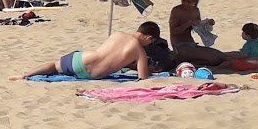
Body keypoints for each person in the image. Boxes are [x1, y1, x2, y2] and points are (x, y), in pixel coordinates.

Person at [12, 22, 162, 81]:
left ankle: (25, 75)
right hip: (93, 75)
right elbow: (142, 78)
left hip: (83, 59)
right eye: (151, 41)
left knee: (54, 66)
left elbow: (111, 56)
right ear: (149, 38)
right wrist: (148, 70)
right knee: (56, 68)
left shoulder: (117, 34)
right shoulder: (139, 51)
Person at [169, 0, 226, 69]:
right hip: (179, 47)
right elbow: (173, 32)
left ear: (195, 2)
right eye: (183, 0)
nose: (185, 4)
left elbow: (199, 29)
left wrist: (207, 24)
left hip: (191, 44)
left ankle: (193, 64)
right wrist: (188, 23)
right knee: (214, 57)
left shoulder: (196, 11)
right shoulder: (177, 11)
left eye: (188, 2)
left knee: (217, 56)